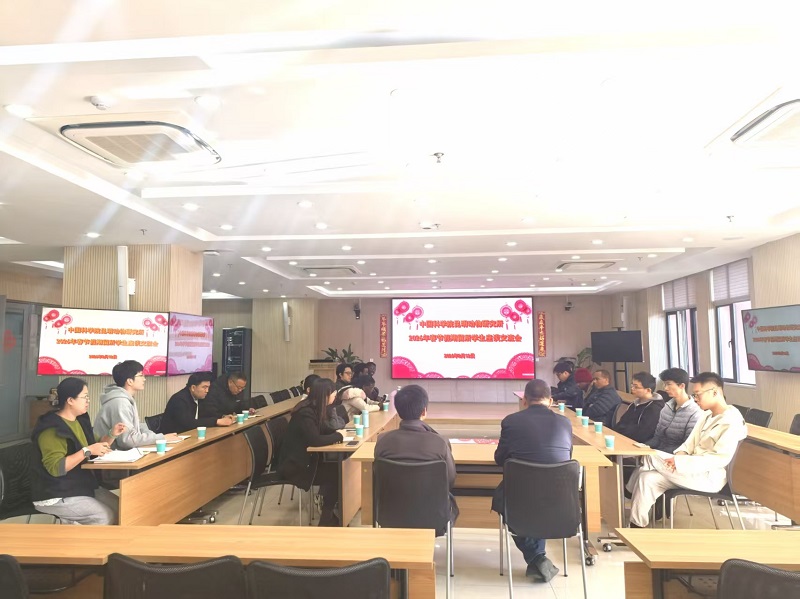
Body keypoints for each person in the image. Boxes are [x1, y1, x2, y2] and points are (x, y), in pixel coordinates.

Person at [628, 372, 747, 528]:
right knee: (647, 478)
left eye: (698, 394)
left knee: (649, 457)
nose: (695, 399)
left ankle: (627, 490)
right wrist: (679, 457)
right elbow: (688, 445)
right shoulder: (706, 415)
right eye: (694, 395)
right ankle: (637, 526)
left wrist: (679, 462)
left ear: (714, 392)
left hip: (707, 476)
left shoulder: (731, 421)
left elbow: (718, 459)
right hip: (687, 470)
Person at [492, 379, 572, 583]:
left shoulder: (511, 421)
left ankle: (537, 558)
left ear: (524, 400)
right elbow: (566, 457)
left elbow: (500, 459)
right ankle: (538, 557)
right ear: (551, 401)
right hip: (561, 497)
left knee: (507, 500)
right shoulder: (565, 422)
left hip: (522, 496)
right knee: (534, 498)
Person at [31, 377, 125, 524]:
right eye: (85, 397)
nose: (88, 401)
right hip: (56, 493)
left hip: (79, 485)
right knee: (104, 516)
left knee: (122, 508)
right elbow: (56, 468)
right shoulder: (52, 429)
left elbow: (96, 446)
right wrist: (87, 451)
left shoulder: (80, 420)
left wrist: (112, 434)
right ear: (70, 400)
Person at [374, 384, 459, 533]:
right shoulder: (440, 442)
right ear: (424, 411)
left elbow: (379, 478)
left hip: (390, 514)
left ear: (398, 411)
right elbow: (449, 480)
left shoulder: (382, 441)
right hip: (433, 515)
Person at [278, 378, 345, 526]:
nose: (335, 397)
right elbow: (315, 440)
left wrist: (337, 432)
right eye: (333, 394)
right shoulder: (305, 413)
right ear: (324, 395)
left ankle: (330, 513)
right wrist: (339, 436)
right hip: (296, 465)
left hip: (307, 459)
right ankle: (327, 517)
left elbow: (322, 429)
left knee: (340, 468)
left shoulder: (314, 408)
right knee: (337, 473)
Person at [94, 360, 178, 449]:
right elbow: (127, 441)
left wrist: (156, 437)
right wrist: (161, 438)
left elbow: (136, 427)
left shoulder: (125, 398)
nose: (144, 379)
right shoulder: (120, 402)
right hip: (113, 454)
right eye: (141, 375)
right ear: (130, 381)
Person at [646, 368, 703, 453]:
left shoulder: (694, 412)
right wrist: (643, 447)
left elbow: (687, 445)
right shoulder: (666, 407)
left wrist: (658, 453)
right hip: (659, 452)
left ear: (682, 386)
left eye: (668, 384)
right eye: (664, 384)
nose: (665, 388)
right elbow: (657, 438)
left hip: (676, 456)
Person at [159, 372, 235, 434]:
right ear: (193, 388)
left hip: (190, 435)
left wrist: (222, 417)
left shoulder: (200, 397)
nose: (207, 391)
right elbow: (189, 423)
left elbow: (208, 413)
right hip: (172, 438)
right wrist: (216, 421)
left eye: (208, 387)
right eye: (204, 387)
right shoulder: (179, 400)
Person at [611, 372, 665, 442]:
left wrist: (623, 431)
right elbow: (621, 423)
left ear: (648, 390)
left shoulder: (654, 408)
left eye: (636, 387)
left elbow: (642, 434)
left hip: (640, 444)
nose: (632, 389)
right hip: (624, 438)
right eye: (632, 385)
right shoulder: (634, 404)